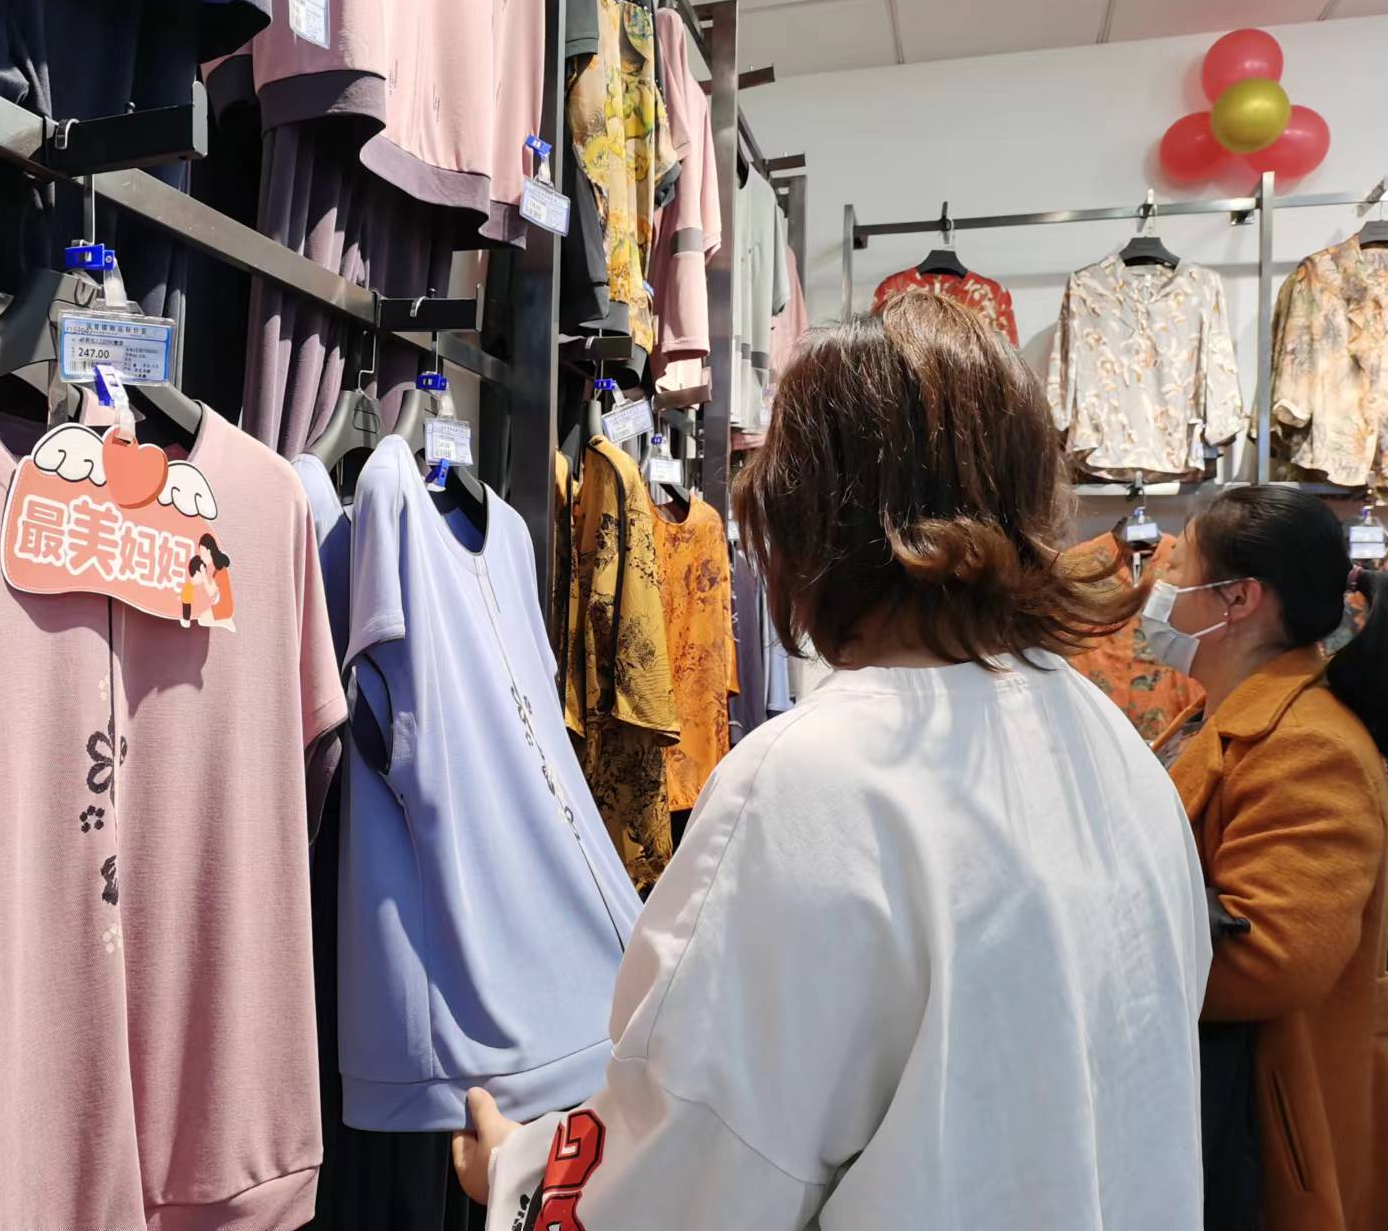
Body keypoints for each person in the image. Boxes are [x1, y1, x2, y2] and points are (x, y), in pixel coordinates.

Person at [452, 292, 1212, 1229]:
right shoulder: (1104, 739)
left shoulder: (817, 780)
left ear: (809, 521)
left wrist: (518, 1172)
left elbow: (700, 1171)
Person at [1147, 486, 1388, 1231]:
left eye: (1180, 566)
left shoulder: (1308, 744)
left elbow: (1274, 958)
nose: (1162, 586)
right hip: (1228, 1099)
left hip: (1273, 1118)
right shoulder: (1227, 713)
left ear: (1238, 598)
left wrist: (1108, 963)